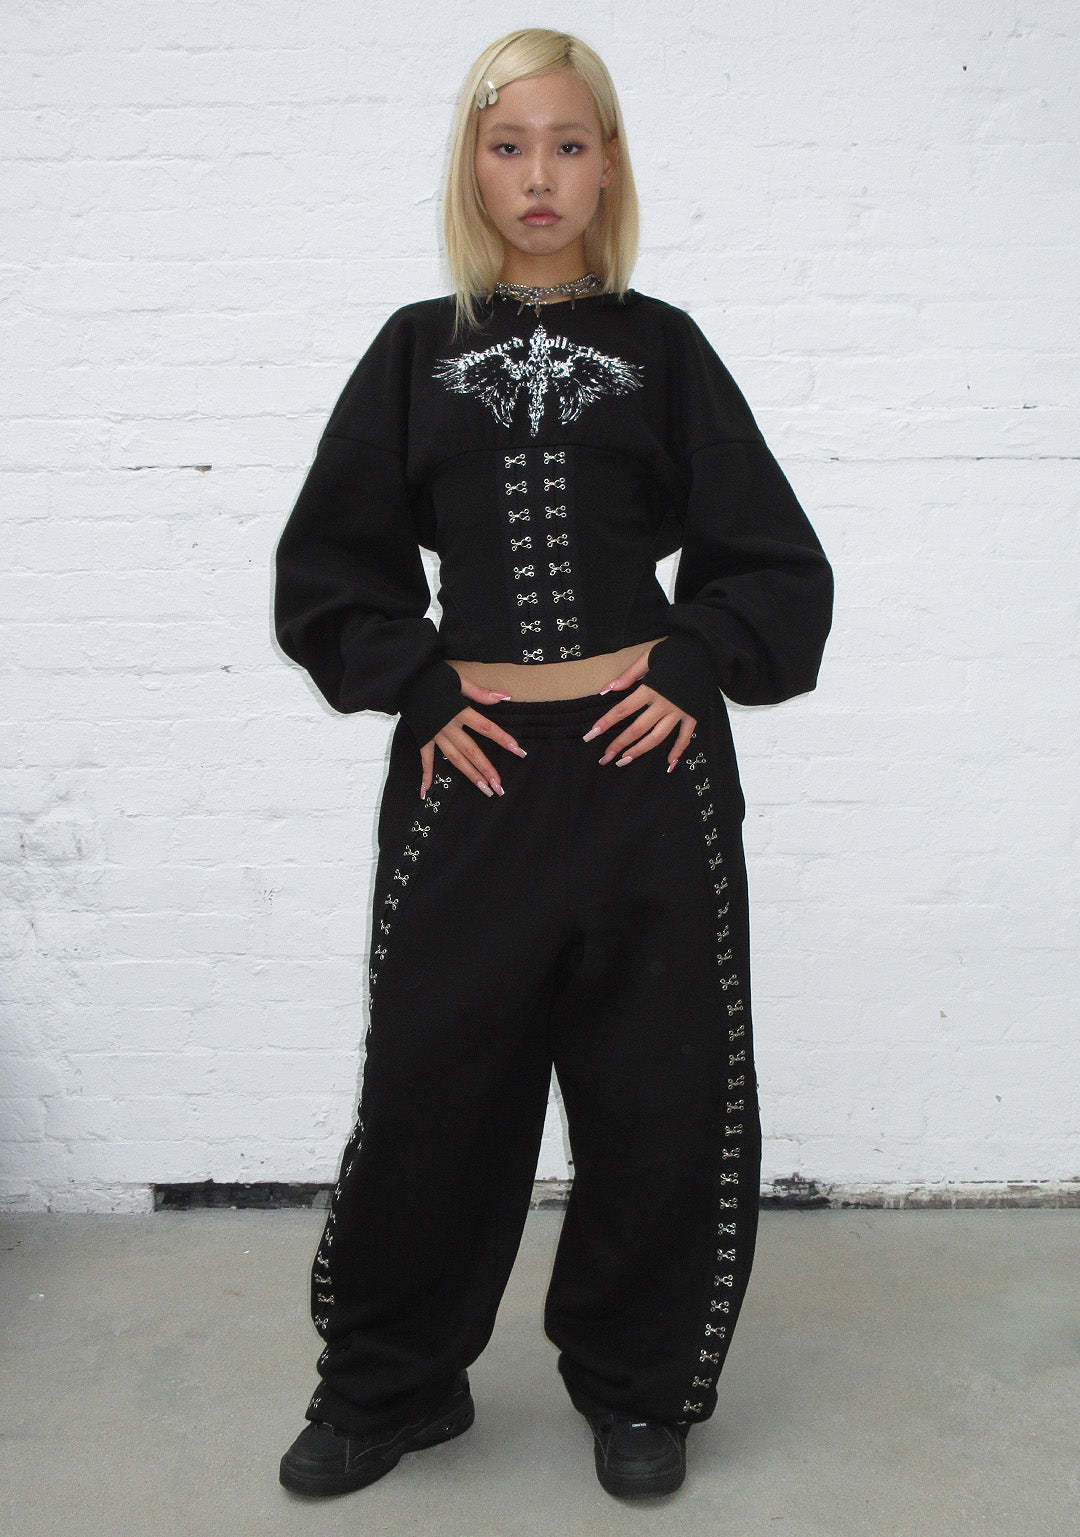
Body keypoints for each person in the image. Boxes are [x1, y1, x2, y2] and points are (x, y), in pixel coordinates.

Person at [273, 27, 833, 1502]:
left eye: (569, 145)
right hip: (470, 781)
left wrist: (694, 660)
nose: (540, 175)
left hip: (650, 778)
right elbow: (330, 566)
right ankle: (391, 1381)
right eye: (510, 145)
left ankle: (640, 1388)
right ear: (472, 165)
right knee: (432, 1083)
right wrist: (416, 684)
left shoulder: (665, 348)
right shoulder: (415, 351)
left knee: (663, 1087)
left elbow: (775, 563)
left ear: (608, 165)